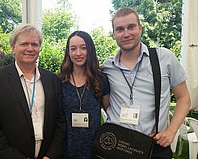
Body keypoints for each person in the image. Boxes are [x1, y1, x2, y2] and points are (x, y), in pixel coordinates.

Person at [103, 8, 190, 159]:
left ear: (140, 28)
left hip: (154, 147)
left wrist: (171, 131)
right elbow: (106, 102)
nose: (126, 33)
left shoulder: (164, 58)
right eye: (120, 29)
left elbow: (184, 98)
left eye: (131, 27)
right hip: (117, 146)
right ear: (114, 34)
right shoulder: (107, 67)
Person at [0, 24, 66, 159]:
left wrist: (51, 155)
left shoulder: (52, 80)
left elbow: (60, 121)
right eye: (24, 44)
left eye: (34, 44)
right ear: (13, 47)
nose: (30, 49)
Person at [59, 31, 110, 158]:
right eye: (73, 48)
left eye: (83, 48)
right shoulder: (59, 81)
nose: (78, 53)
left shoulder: (101, 79)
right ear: (68, 52)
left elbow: (111, 112)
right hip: (65, 151)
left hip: (94, 151)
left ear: (90, 50)